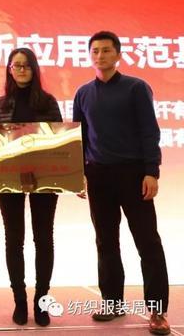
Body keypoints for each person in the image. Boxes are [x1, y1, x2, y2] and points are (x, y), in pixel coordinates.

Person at [73, 31, 170, 335]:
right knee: (106, 242)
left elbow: (149, 132)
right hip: (98, 176)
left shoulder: (136, 88)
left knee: (147, 242)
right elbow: (78, 138)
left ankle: (157, 311)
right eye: (95, 51)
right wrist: (77, 174)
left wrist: (151, 171)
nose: (100, 56)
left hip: (133, 174)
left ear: (118, 55)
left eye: (106, 50)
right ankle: (112, 302)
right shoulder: (83, 93)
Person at [0, 47, 62, 326]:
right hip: (9, 177)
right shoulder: (1, 104)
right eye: (16, 65)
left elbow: (60, 141)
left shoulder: (48, 102)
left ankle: (41, 301)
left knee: (44, 238)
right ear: (9, 70)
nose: (21, 70)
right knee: (14, 238)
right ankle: (19, 300)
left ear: (34, 69)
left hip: (45, 176)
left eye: (26, 65)